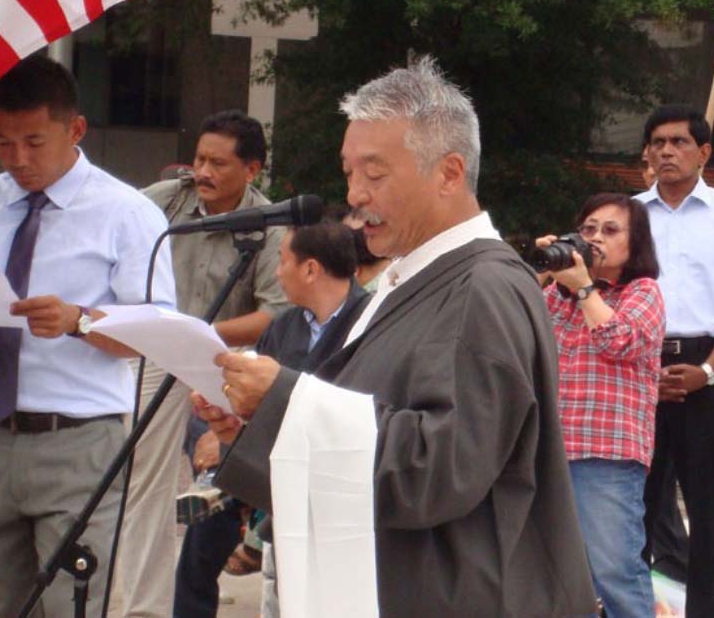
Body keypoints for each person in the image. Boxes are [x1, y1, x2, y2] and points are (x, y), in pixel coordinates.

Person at [195, 56, 597, 616]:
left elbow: (442, 467)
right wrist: (256, 423)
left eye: (375, 173)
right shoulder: (407, 279)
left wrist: (285, 400)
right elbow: (369, 418)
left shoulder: (484, 286)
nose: (355, 194)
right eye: (349, 172)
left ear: (449, 173)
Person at [0, 55, 176, 618]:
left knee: (75, 602)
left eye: (35, 142)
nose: (18, 160)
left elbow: (157, 335)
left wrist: (80, 321)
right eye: (3, 143)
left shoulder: (128, 214)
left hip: (78, 439)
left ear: (76, 130)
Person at [115, 110, 288, 618]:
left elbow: (273, 313)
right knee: (139, 479)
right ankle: (143, 610)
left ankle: (220, 501)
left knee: (235, 467)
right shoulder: (163, 202)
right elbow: (118, 232)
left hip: (227, 363)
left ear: (251, 169)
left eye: (218, 162)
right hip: (157, 356)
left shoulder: (268, 222)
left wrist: (200, 332)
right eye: (198, 159)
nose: (203, 171)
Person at [187, 221, 370, 618]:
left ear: (310, 269)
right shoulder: (283, 327)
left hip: (345, 498)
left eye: (283, 261)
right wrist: (226, 424)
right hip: (279, 494)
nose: (276, 272)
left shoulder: (373, 321)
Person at [634, 104, 714, 617]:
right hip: (639, 373)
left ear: (704, 152)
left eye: (679, 142)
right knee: (633, 510)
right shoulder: (629, 213)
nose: (667, 151)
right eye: (658, 142)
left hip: (709, 373)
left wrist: (707, 370)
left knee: (712, 515)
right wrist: (646, 372)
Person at [535, 192, 664, 617]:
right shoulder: (556, 295)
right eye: (588, 229)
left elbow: (620, 341)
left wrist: (585, 288)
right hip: (549, 452)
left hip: (607, 456)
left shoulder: (643, 292)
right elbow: (517, 335)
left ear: (636, 242)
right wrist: (543, 274)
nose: (595, 239)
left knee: (615, 573)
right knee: (553, 574)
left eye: (610, 230)